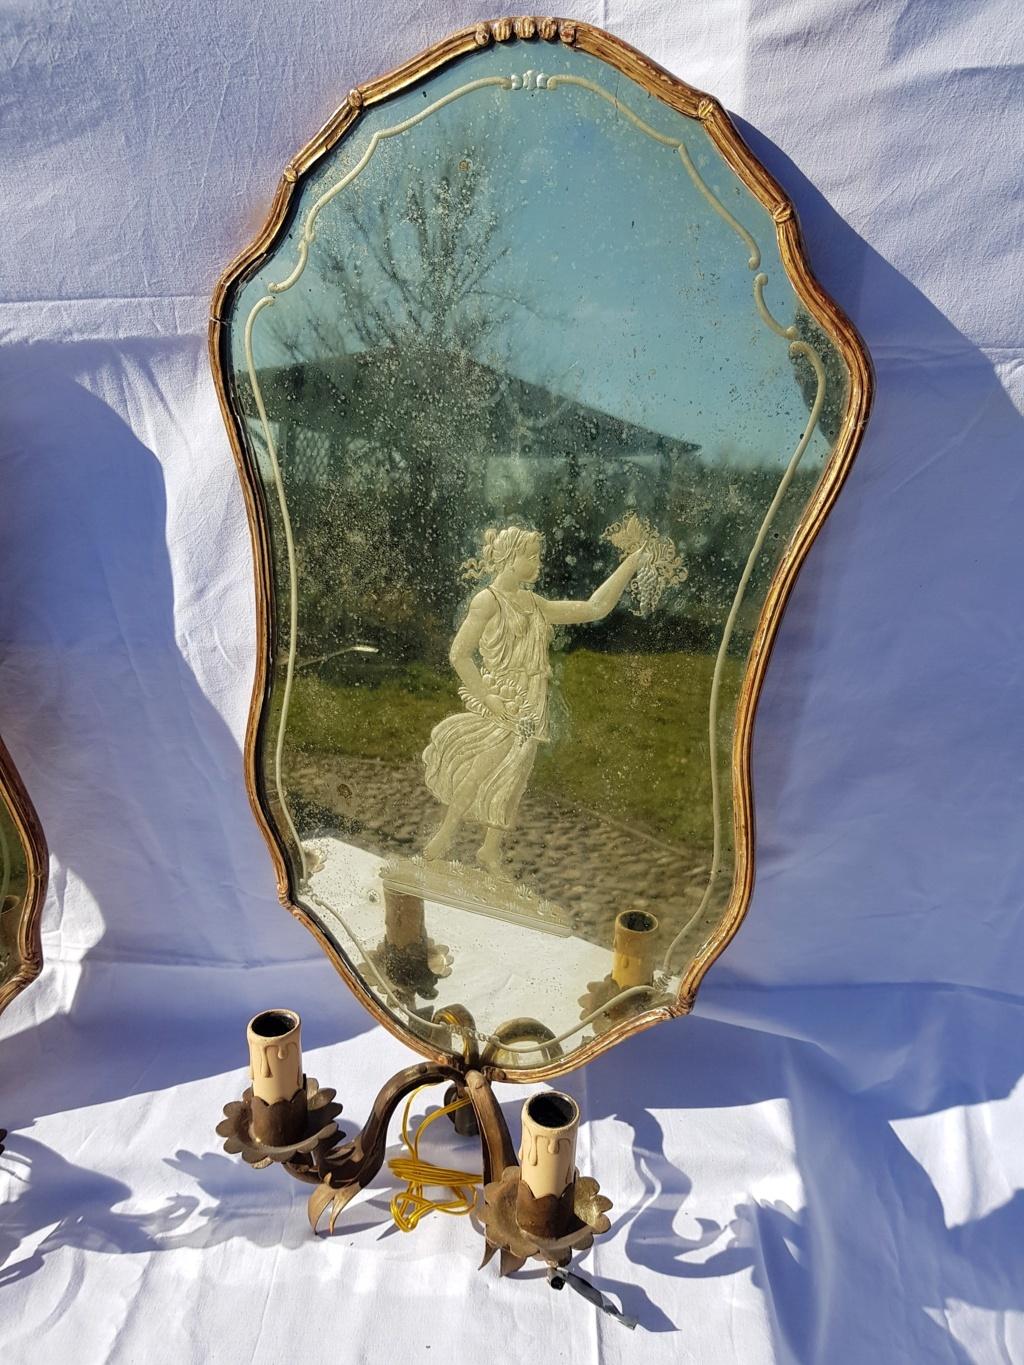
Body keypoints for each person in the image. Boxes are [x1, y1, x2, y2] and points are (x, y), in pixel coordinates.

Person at [422, 525, 643, 874]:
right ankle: (444, 836)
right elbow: (459, 654)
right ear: (511, 559)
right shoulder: (487, 602)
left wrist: (631, 563)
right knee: (481, 769)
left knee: (516, 777)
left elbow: (594, 607)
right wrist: (488, 698)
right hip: (504, 701)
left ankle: (489, 850)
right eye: (532, 556)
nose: (539, 562)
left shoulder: (533, 603)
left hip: (531, 704)